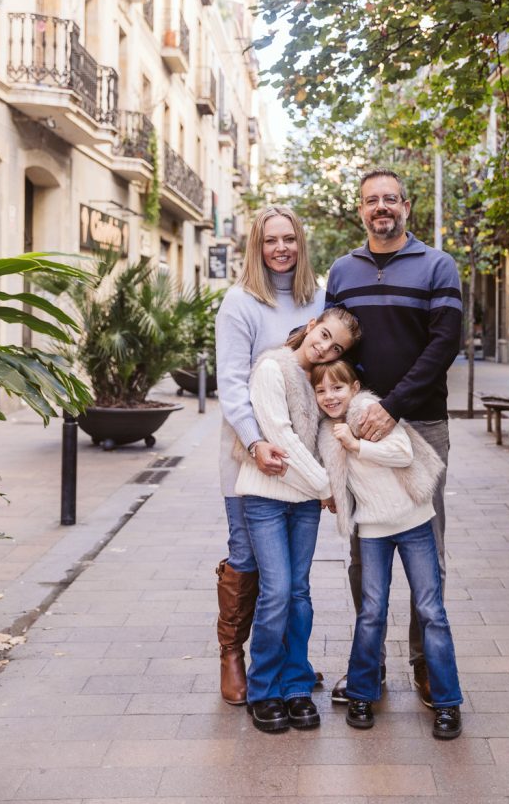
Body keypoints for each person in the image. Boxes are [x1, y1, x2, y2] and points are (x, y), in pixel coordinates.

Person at [325, 167, 462, 707]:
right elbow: (333, 347)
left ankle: (426, 664)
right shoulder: (342, 271)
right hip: (360, 424)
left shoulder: (437, 265)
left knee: (429, 545)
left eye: (390, 199)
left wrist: (394, 406)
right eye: (371, 201)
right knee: (365, 547)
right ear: (360, 211)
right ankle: (370, 667)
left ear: (406, 205)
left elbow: (443, 343)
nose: (381, 207)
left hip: (422, 423)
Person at [312, 360, 463, 739]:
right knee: (371, 611)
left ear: (355, 387)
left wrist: (357, 445)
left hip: (413, 522)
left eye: (337, 388)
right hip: (373, 530)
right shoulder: (325, 433)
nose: (330, 397)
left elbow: (403, 454)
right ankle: (363, 693)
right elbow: (327, 477)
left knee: (431, 610)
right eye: (321, 390)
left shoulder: (368, 411)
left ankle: (447, 703)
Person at [215, 206, 324, 706]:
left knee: (290, 581)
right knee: (247, 558)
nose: (280, 248)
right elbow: (232, 383)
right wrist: (256, 442)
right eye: (269, 240)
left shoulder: (316, 299)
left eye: (289, 239)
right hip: (247, 453)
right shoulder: (240, 302)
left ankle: (285, 665)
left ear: (300, 244)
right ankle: (233, 653)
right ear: (256, 247)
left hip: (299, 461)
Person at [234, 307, 362, 733]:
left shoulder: (317, 379)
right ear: (311, 326)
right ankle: (263, 689)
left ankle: (296, 684)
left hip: (304, 500)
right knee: (276, 591)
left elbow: (328, 428)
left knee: (298, 592)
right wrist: (327, 487)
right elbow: (282, 436)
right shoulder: (273, 367)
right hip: (268, 497)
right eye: (323, 334)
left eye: (336, 345)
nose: (325, 346)